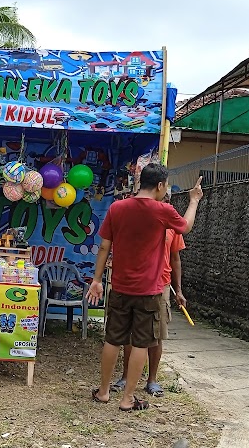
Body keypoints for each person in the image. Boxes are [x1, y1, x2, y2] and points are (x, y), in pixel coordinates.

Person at [87, 165, 203, 411]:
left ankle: (104, 391)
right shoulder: (163, 210)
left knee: (112, 339)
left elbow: (104, 247)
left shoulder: (117, 208)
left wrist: (97, 280)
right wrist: (193, 200)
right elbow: (186, 227)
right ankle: (128, 398)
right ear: (160, 185)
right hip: (149, 290)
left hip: (120, 286)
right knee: (141, 343)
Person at [111, 190, 186, 397]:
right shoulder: (140, 218)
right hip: (137, 284)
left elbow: (176, 259)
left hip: (161, 286)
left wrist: (178, 290)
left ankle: (152, 379)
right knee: (129, 335)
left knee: (156, 336)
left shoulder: (173, 228)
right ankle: (126, 376)